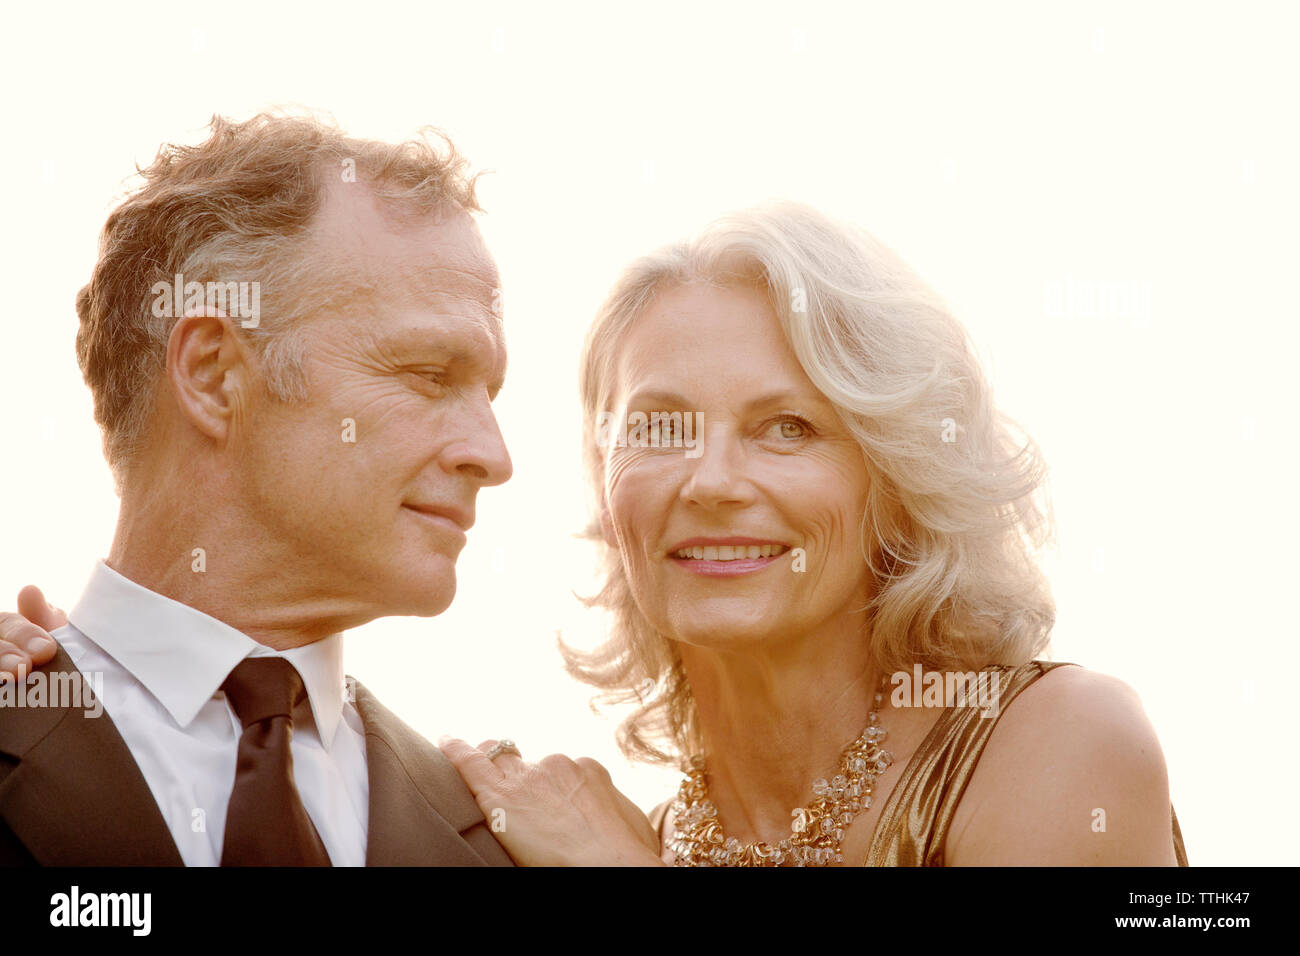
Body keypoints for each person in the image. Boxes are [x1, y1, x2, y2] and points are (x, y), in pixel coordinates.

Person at [2, 180, 1186, 866]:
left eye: (788, 427)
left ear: (894, 479)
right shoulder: (531, 829)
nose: (714, 478)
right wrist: (86, 688)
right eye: (661, 426)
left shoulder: (1057, 741)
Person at [0, 111, 556, 866]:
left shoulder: (508, 839)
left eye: (490, 393)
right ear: (213, 375)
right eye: (431, 376)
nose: (494, 456)